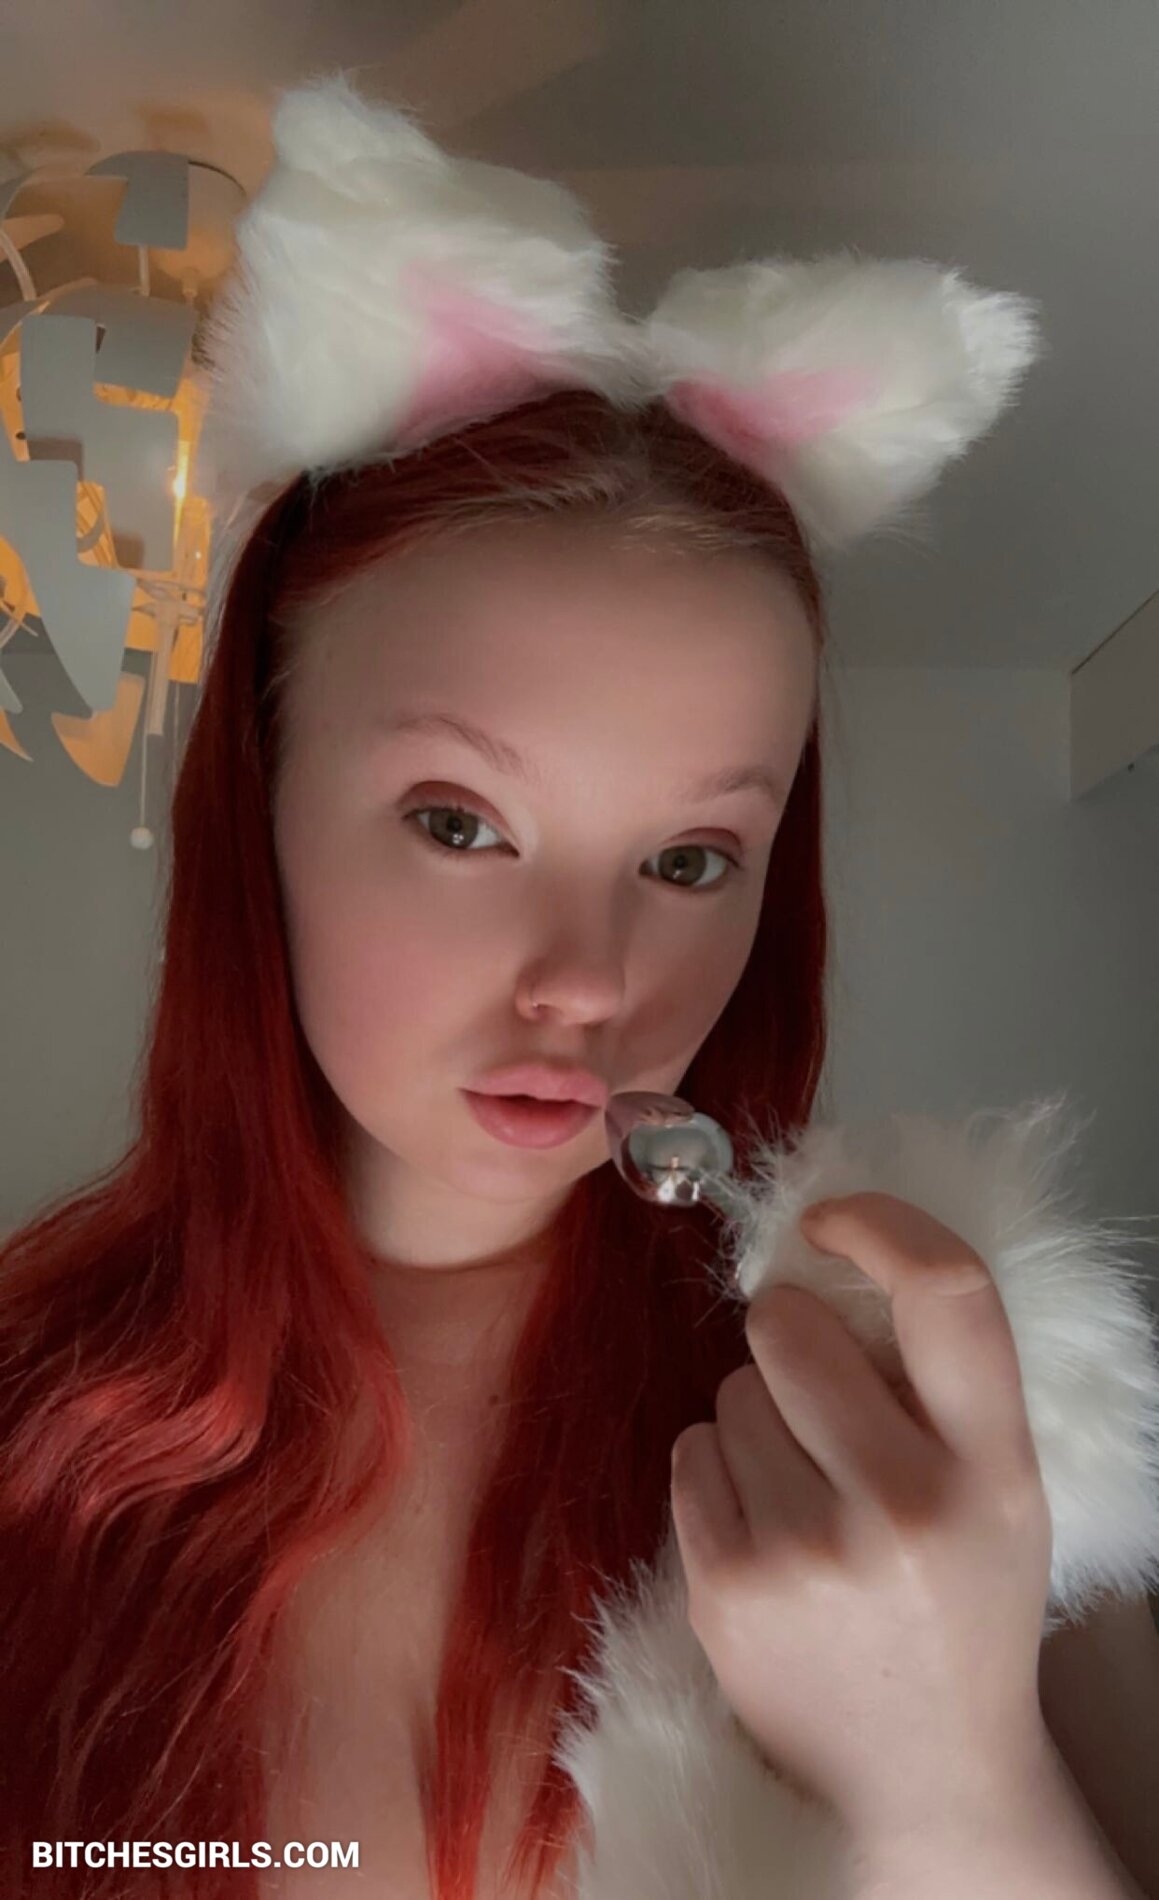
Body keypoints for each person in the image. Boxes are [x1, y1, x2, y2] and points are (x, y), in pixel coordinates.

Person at [3, 71, 1158, 1900]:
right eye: (460, 823)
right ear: (260, 812)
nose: (587, 982)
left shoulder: (940, 1413)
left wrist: (953, 1778)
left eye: (690, 860)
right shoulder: (30, 1416)